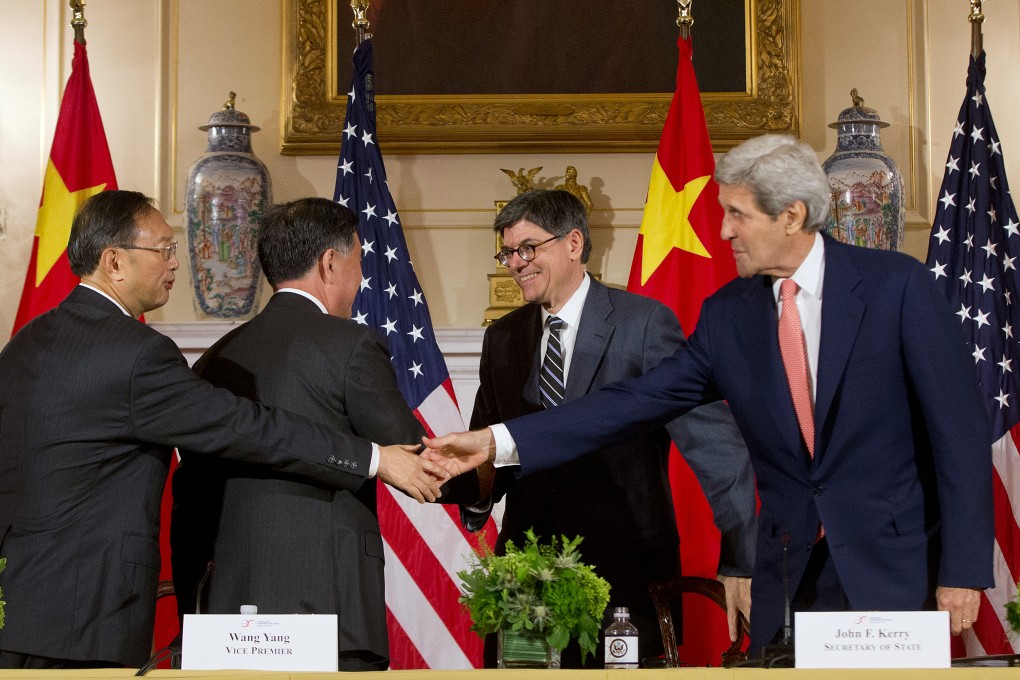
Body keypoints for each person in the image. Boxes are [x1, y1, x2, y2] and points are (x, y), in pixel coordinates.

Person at [424, 136, 994, 655]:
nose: (723, 232)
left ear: (791, 215)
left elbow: (958, 437)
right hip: (788, 578)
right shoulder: (729, 316)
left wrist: (963, 569)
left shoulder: (897, 287)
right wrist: (498, 440)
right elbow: (630, 403)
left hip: (891, 569)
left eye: (737, 215)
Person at [0, 191, 446, 669]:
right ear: (114, 261)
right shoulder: (137, 354)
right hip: (85, 615)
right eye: (164, 250)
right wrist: (374, 457)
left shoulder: (23, 344)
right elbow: (244, 426)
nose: (176, 264)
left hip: (16, 605)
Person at [454, 189, 756, 667]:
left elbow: (715, 445)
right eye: (508, 252)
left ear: (574, 243)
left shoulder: (643, 324)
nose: (516, 263)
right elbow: (490, 454)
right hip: (526, 582)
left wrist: (741, 556)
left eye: (528, 248)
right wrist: (465, 488)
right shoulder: (503, 338)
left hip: (626, 574)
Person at [171, 198, 424, 671]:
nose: (361, 278)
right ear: (330, 263)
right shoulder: (350, 345)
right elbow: (410, 456)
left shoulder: (212, 361)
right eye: (358, 260)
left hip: (227, 621)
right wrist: (486, 478)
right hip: (331, 613)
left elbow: (192, 496)